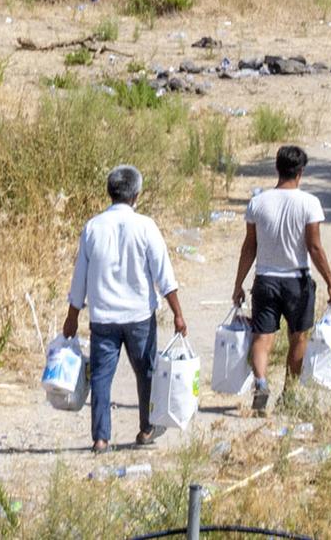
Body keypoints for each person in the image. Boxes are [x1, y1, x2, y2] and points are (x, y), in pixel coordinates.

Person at [62, 165, 189, 453]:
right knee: (146, 372)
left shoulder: (93, 227)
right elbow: (164, 275)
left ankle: (100, 439)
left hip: (103, 317)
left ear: (110, 192)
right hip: (138, 316)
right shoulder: (145, 226)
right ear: (136, 195)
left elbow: (79, 277)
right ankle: (146, 428)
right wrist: (178, 314)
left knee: (101, 378)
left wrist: (72, 316)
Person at [230, 145, 331, 413]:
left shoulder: (258, 202)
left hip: (265, 280)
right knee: (298, 338)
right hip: (297, 282)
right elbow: (314, 247)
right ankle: (288, 394)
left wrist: (238, 283)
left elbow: (249, 247)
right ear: (300, 172)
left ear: (277, 168)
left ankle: (261, 382)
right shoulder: (309, 203)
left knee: (262, 338)